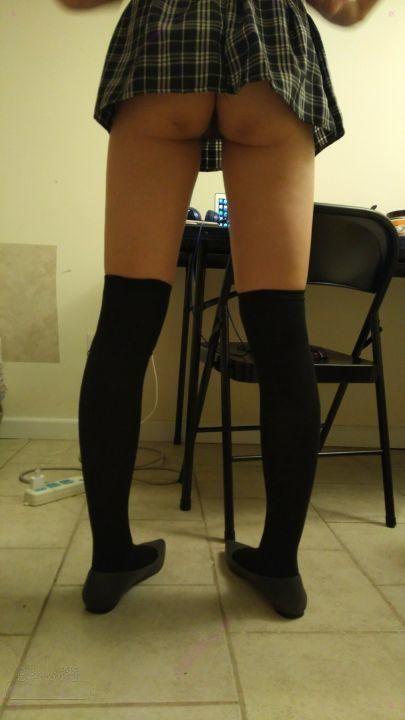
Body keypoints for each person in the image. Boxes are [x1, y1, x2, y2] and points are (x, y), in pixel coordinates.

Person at [57, 0, 383, 615]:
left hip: (163, 39)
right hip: (270, 47)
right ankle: (279, 567)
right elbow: (345, 6)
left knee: (125, 321)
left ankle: (110, 561)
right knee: (281, 330)